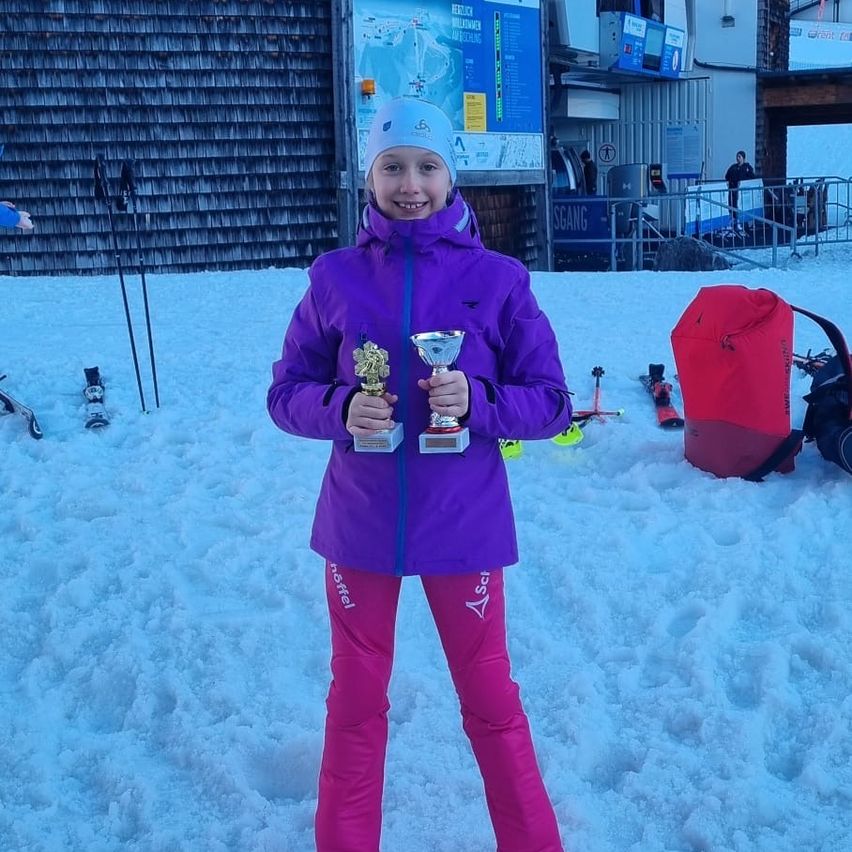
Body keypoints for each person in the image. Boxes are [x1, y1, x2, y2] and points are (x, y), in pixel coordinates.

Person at [267, 96, 571, 852]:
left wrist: (480, 401)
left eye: (427, 166)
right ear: (369, 176)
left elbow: (554, 405)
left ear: (450, 176)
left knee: (491, 698)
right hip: (360, 527)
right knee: (357, 702)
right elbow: (285, 394)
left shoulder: (499, 280)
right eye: (393, 166)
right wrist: (341, 410)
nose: (411, 184)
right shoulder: (335, 278)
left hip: (462, 527)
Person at [724, 149, 755, 233]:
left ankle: (745, 227)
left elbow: (752, 178)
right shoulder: (733, 167)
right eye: (737, 157)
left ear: (743, 158)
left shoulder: (747, 167)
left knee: (743, 208)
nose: (737, 158)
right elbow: (727, 176)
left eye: (739, 157)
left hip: (743, 192)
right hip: (733, 191)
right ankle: (734, 225)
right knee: (733, 207)